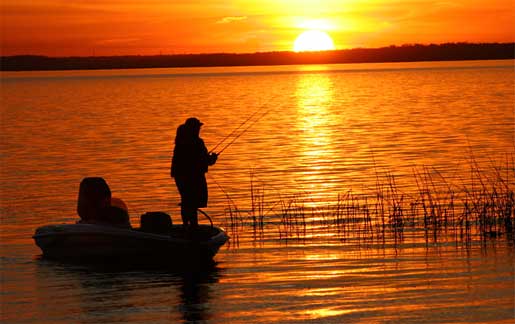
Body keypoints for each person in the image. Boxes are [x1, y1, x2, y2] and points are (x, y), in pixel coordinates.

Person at [171, 117, 218, 229]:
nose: (199, 129)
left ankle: (187, 225)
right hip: (194, 176)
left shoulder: (180, 141)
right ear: (194, 129)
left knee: (186, 201)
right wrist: (213, 158)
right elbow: (205, 160)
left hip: (180, 176)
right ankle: (193, 227)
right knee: (192, 202)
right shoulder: (197, 142)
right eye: (197, 127)